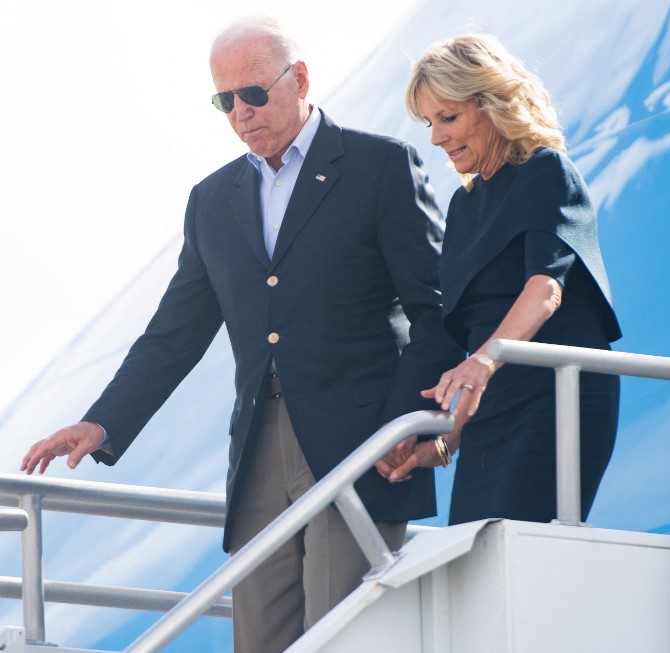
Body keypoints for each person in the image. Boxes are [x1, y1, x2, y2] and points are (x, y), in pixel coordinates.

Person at [19, 16, 462, 653]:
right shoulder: (210, 200)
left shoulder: (380, 166)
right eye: (224, 100)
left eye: (252, 93)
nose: (239, 112)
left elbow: (436, 311)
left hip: (358, 443)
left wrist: (400, 426)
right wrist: (102, 423)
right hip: (257, 447)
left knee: (339, 634)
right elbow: (174, 333)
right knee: (258, 637)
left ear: (300, 78)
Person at [378, 34, 622, 525]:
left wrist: (482, 365)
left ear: (491, 106)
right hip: (494, 414)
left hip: (559, 397)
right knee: (477, 557)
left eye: (449, 118)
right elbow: (478, 346)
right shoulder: (463, 207)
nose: (436, 138)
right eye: (430, 123)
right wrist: (442, 446)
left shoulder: (545, 171)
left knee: (516, 553)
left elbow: (545, 289)